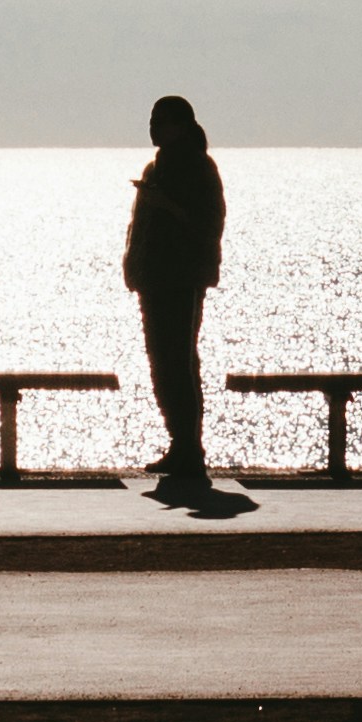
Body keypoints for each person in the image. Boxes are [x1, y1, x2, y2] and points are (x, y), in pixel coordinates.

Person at [123, 94, 228, 500]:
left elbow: (208, 223)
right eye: (151, 119)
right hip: (152, 278)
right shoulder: (156, 168)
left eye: (160, 120)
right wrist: (131, 264)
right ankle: (178, 443)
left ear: (181, 125)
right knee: (160, 363)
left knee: (179, 361)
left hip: (182, 278)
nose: (153, 127)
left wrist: (165, 203)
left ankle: (190, 448)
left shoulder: (199, 168)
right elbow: (141, 224)